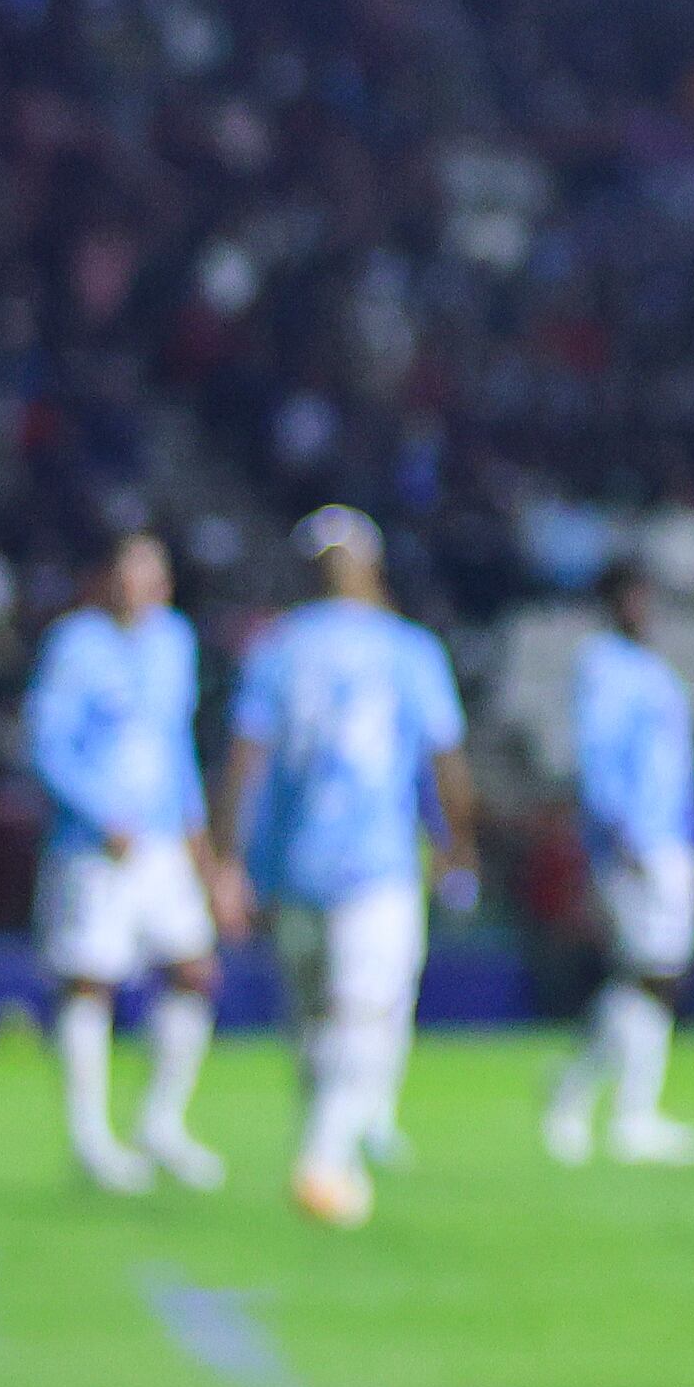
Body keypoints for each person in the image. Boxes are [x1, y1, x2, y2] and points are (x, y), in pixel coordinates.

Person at [225, 504, 473, 1230]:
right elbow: (445, 758)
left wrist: (232, 857)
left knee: (321, 1018)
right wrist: (457, 843)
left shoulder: (278, 648)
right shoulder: (406, 648)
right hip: (371, 861)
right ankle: (327, 1157)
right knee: (351, 1014)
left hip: (300, 861)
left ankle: (327, 1155)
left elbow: (245, 759)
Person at [27, 525, 239, 1192]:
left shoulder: (173, 641)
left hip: (162, 840)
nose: (137, 588)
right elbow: (48, 745)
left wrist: (203, 846)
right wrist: (98, 812)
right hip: (95, 846)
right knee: (91, 980)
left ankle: (160, 1120)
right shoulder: (75, 645)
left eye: (150, 574)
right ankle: (89, 1134)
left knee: (195, 971)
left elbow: (176, 748)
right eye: (127, 574)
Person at [540, 566, 694, 1168]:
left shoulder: (654, 672)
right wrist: (622, 832)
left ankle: (578, 1090)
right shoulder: (605, 667)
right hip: (637, 841)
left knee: (655, 974)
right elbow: (599, 756)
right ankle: (626, 1114)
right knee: (650, 973)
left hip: (669, 839)